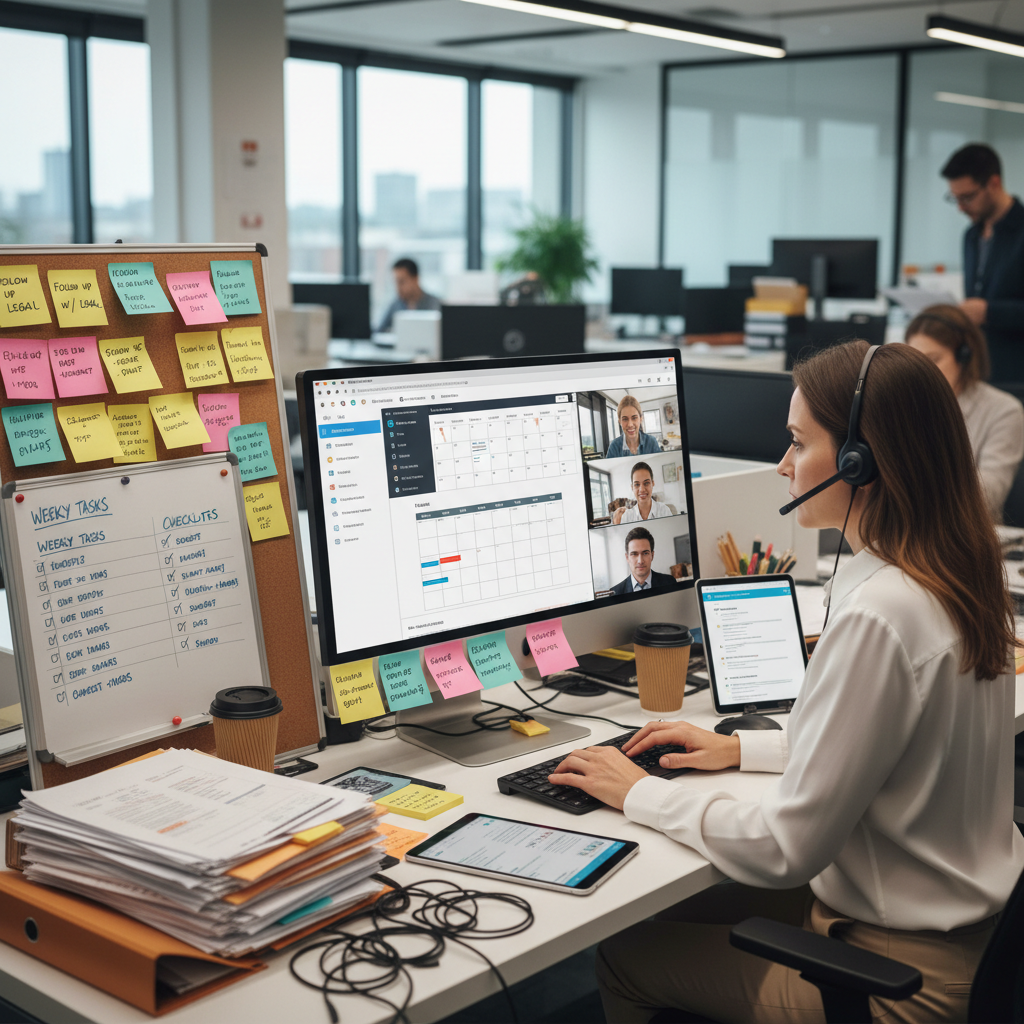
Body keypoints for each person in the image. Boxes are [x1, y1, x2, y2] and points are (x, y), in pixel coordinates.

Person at [550, 340, 1023, 1023]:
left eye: (798, 443)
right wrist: (741, 749)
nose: (781, 465)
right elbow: (877, 745)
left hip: (896, 977)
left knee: (624, 952)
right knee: (687, 899)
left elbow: (786, 849)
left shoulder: (883, 614)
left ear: (862, 459)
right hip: (964, 941)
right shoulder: (953, 574)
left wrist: (641, 794)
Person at [905, 304, 1024, 522]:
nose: (924, 372)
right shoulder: (902, 405)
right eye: (917, 361)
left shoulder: (1004, 410)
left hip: (965, 539)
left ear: (964, 356)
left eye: (933, 360)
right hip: (902, 532)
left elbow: (988, 496)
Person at [941, 143, 1024, 381]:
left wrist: (990, 312)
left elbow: (986, 309)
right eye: (954, 199)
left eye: (967, 197)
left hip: (1016, 373)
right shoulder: (971, 235)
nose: (960, 208)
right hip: (978, 368)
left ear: (994, 184)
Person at [375, 258, 441, 333]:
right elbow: (379, 330)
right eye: (395, 282)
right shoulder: (395, 304)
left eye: (402, 282)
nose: (398, 288)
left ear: (416, 278)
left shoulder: (435, 304)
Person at [609, 527, 677, 595]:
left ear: (652, 556)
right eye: (634, 554)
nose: (640, 561)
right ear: (627, 558)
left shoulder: (669, 582)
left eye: (645, 553)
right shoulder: (615, 592)